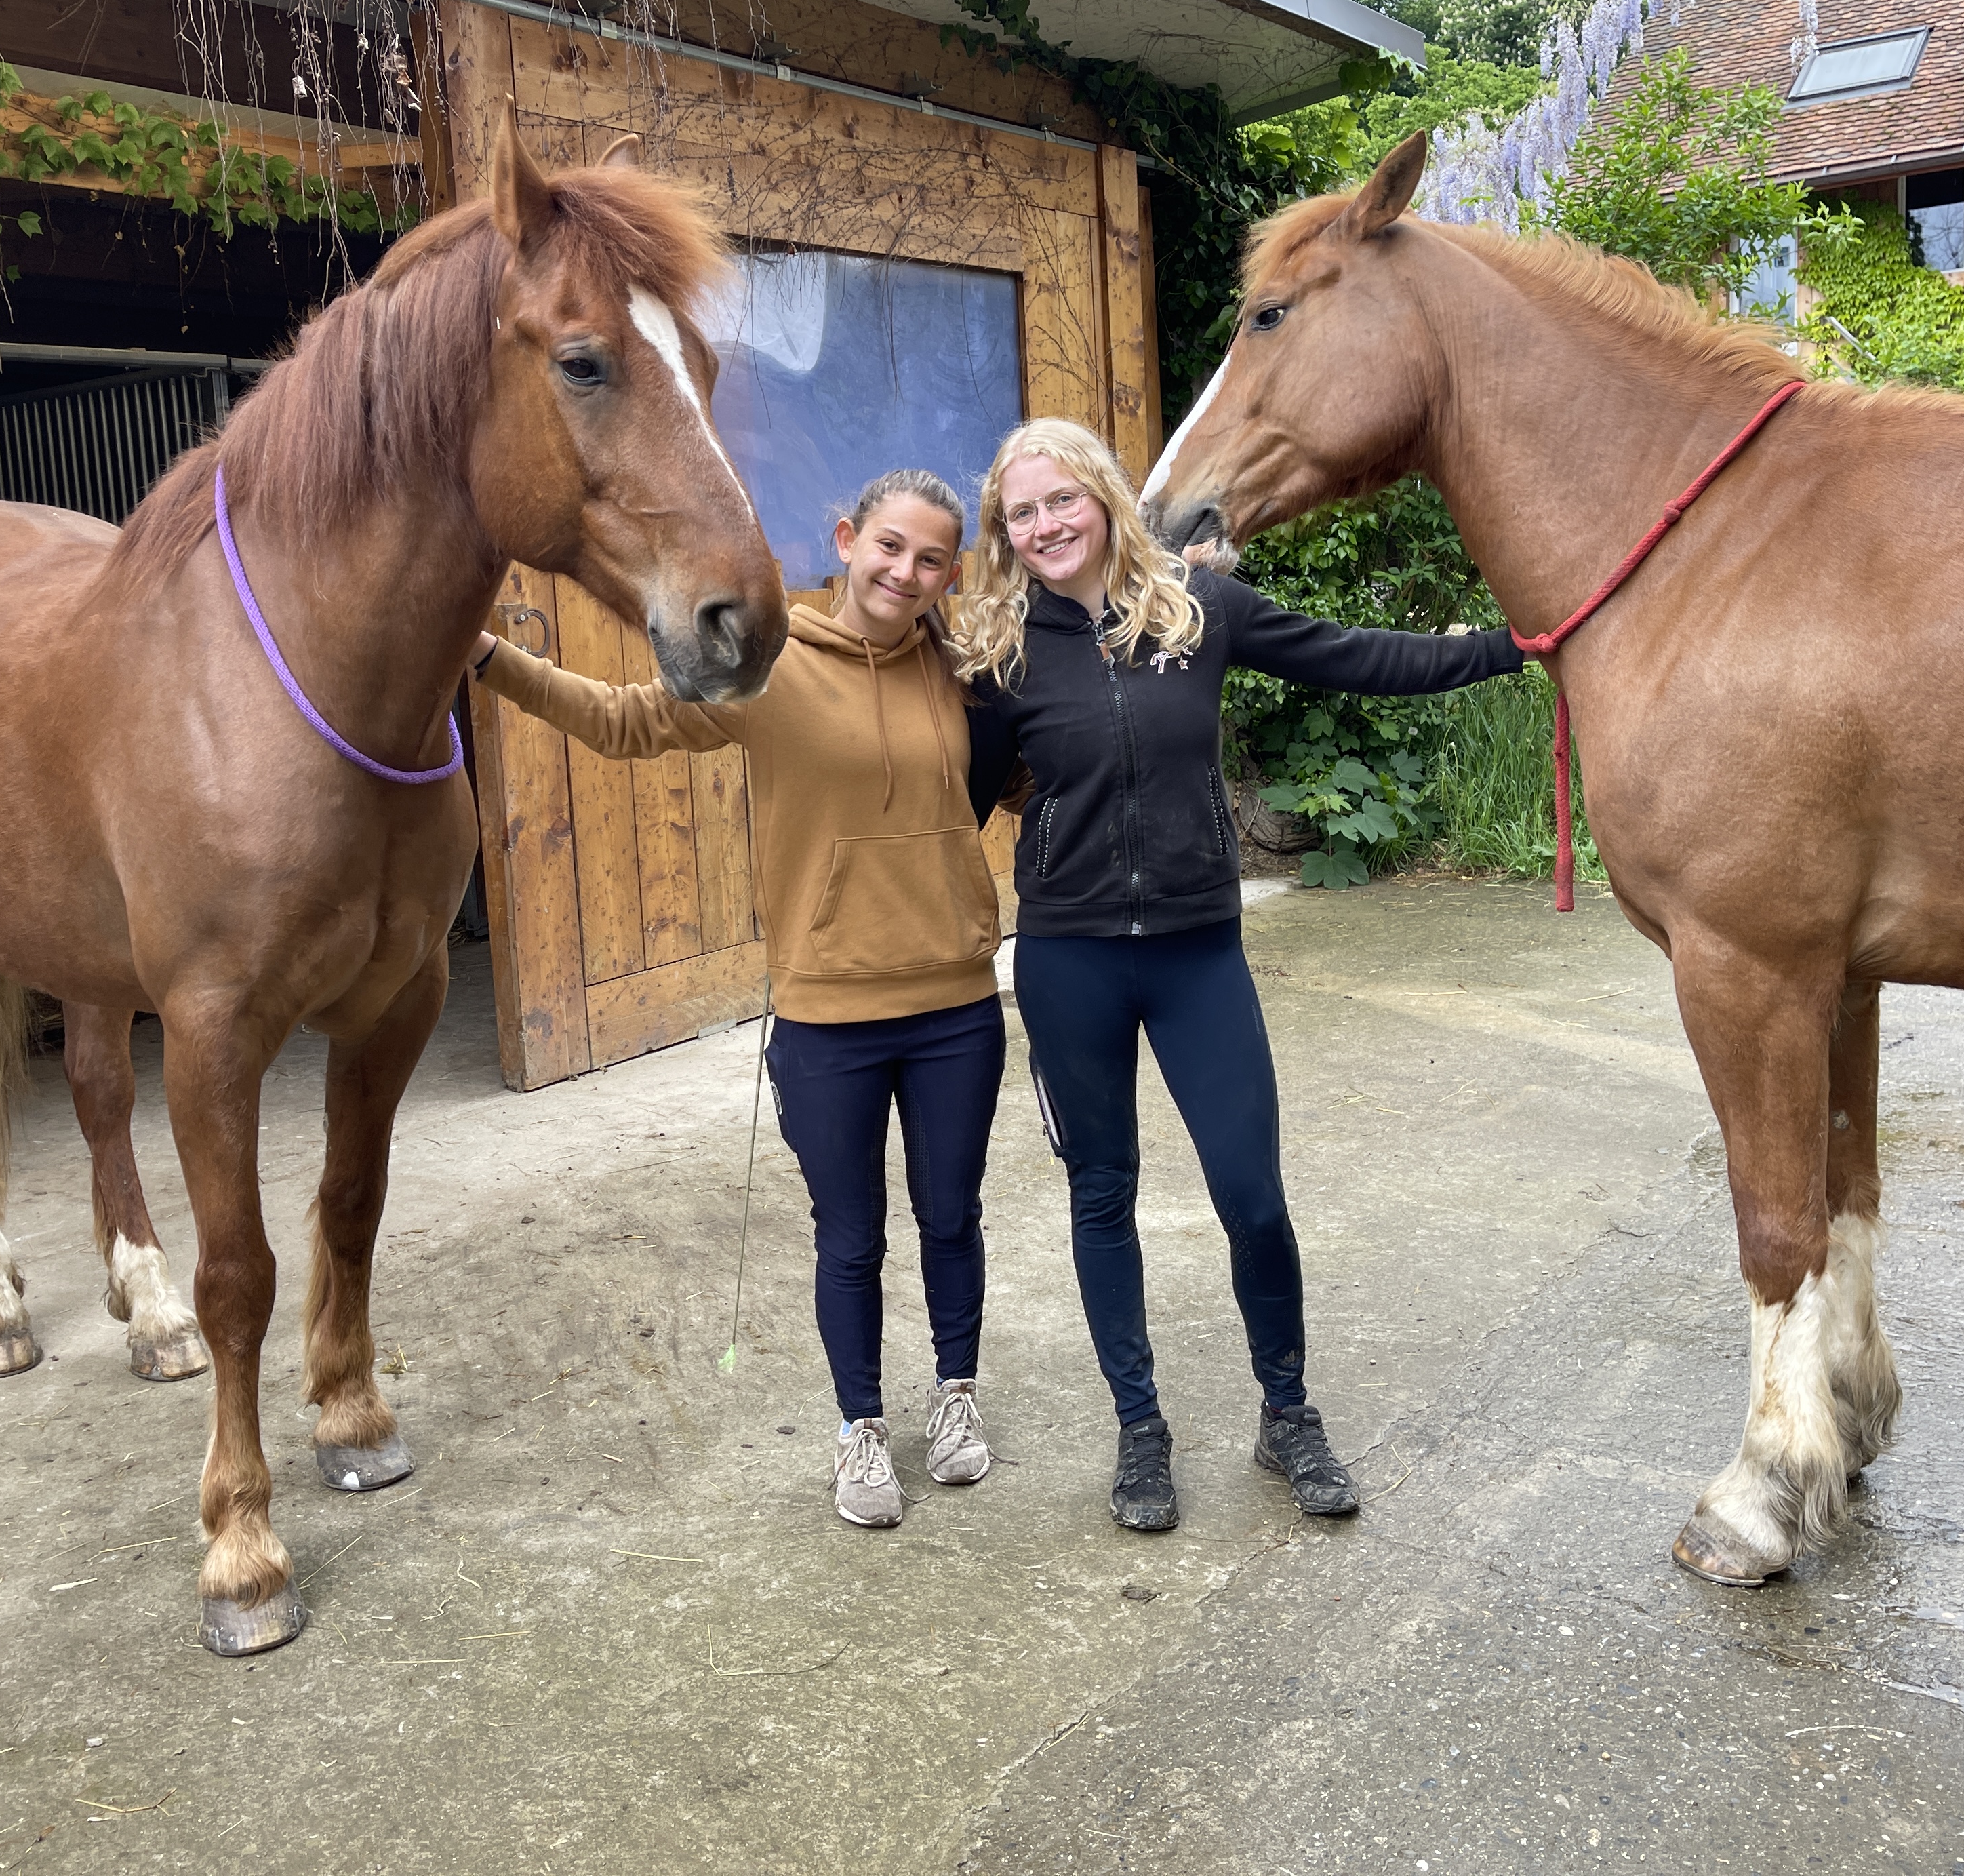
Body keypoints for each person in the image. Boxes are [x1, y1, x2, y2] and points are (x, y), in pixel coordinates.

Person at [955, 418, 1523, 1532]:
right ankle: (1140, 1432)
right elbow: (944, 801)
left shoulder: (1197, 610)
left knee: (1252, 1198)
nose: (1043, 528)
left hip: (1196, 953)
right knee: (1103, 1194)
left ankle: (1288, 1414)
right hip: (1069, 959)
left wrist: (1509, 647)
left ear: (1105, 499)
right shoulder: (1001, 653)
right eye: (1020, 514)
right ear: (1002, 531)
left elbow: (1357, 655)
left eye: (1059, 501)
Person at [472, 472, 1006, 1530]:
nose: (907, 573)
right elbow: (624, 723)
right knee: (849, 1236)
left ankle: (954, 1396)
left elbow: (1053, 767)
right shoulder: (766, 671)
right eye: (890, 547)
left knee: (952, 1217)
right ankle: (860, 1430)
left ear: (953, 572)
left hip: (955, 1004)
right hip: (828, 1013)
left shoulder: (969, 671)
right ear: (848, 539)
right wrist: (490, 660)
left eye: (932, 558)